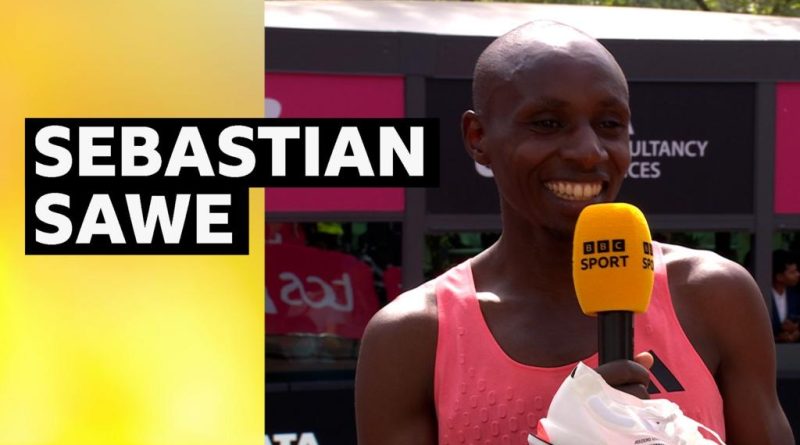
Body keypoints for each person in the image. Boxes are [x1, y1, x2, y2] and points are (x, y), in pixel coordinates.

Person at [355, 21, 794, 444]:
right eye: (547, 123)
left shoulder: (713, 296)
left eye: (609, 124)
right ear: (478, 137)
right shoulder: (414, 337)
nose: (588, 152)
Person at [771, 249, 800, 343]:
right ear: (779, 277)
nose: (798, 274)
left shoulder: (795, 296)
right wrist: (778, 338)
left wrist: (796, 330)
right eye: (792, 272)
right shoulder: (763, 295)